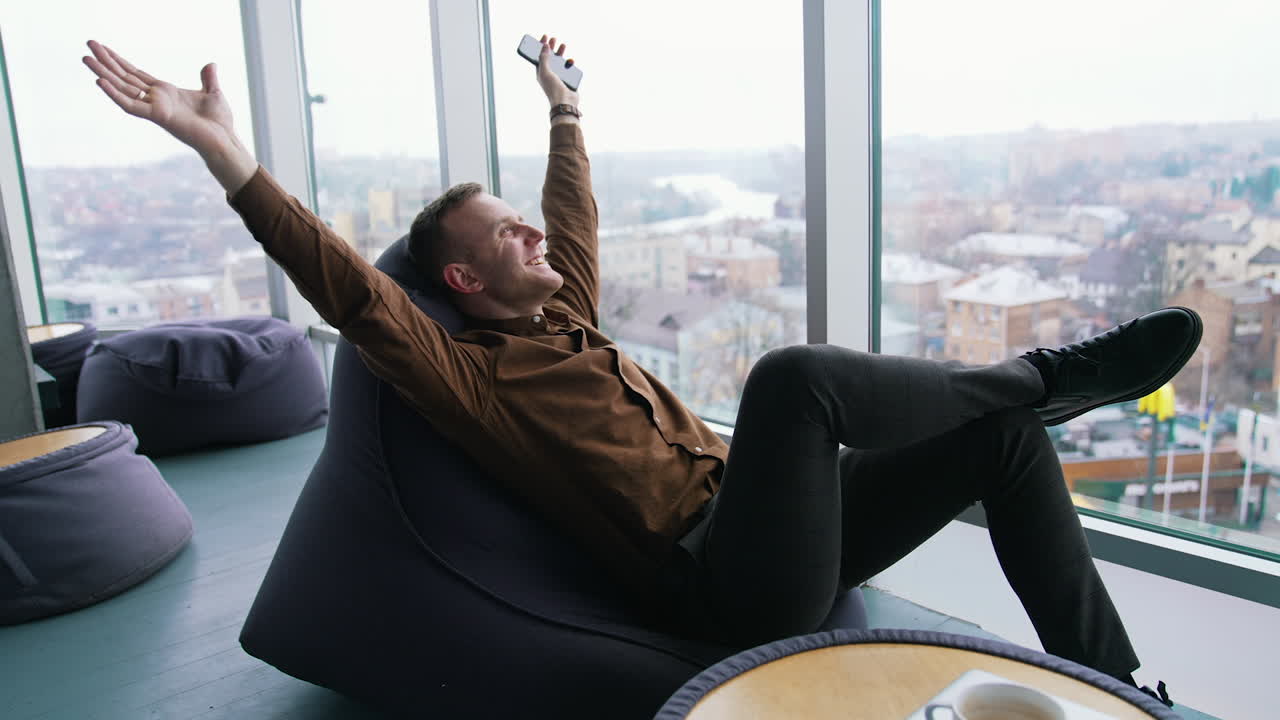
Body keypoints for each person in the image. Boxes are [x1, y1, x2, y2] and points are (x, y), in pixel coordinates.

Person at [83, 36, 1193, 704]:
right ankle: (1043, 380)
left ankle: (1118, 687)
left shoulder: (566, 308)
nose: (533, 240)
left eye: (523, 226)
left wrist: (563, 108)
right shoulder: (470, 377)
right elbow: (354, 293)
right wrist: (225, 153)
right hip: (730, 588)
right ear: (462, 283)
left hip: (784, 529)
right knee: (787, 378)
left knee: (995, 444)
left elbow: (570, 211)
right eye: (504, 236)